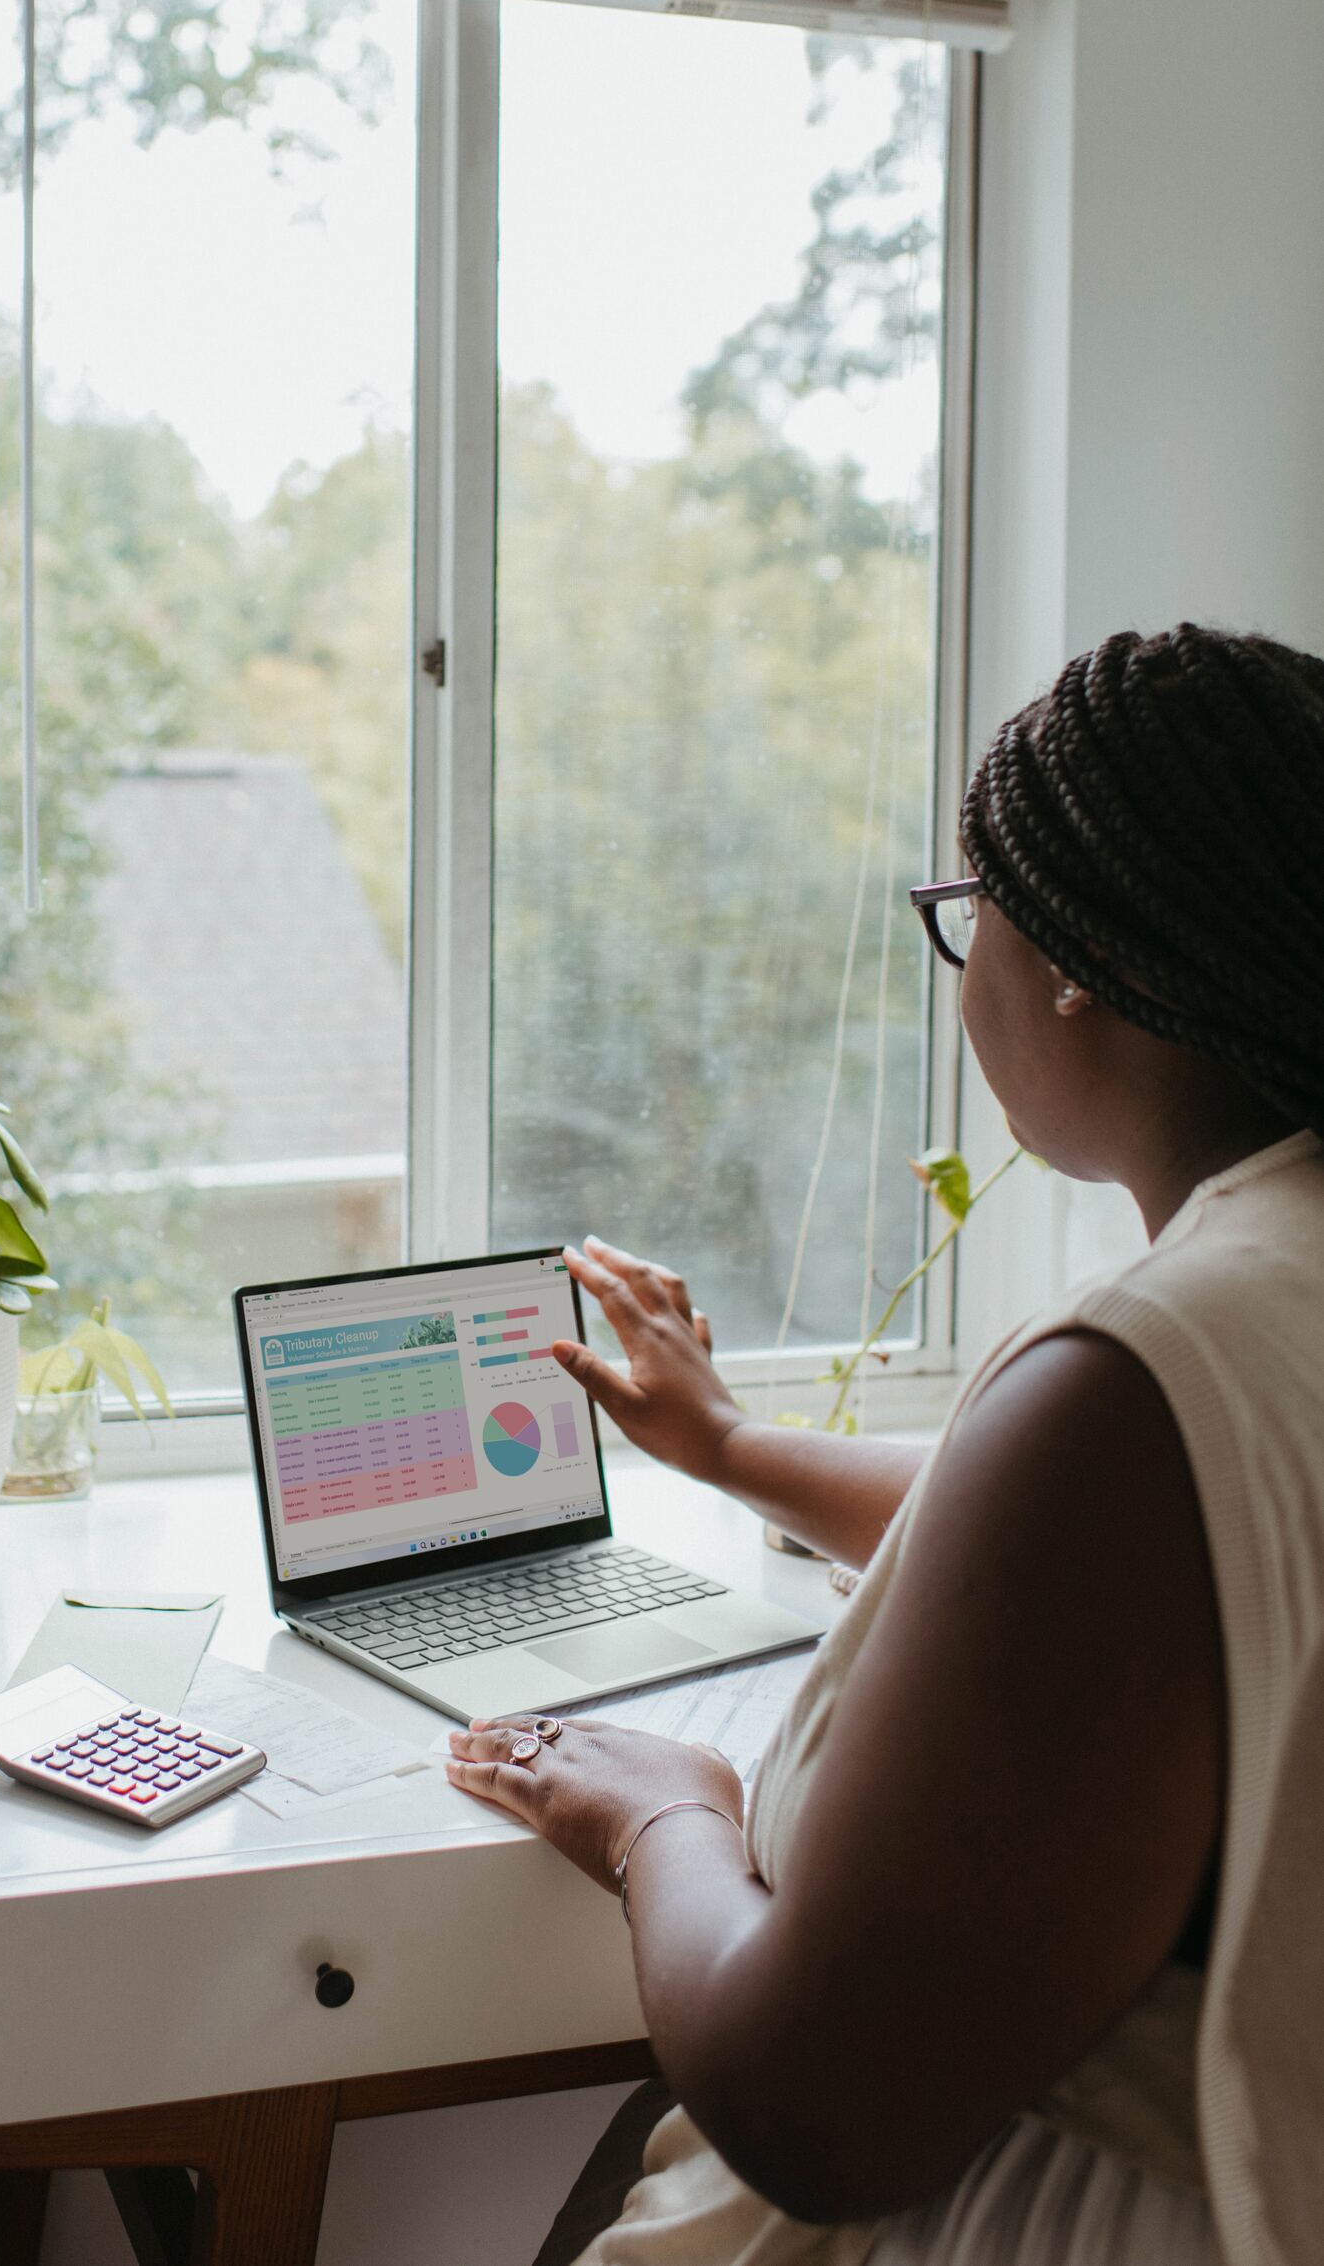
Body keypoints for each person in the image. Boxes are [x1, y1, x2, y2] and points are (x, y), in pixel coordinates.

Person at [445, 624, 1324, 2265]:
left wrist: (662, 1820)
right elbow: (1169, 1567)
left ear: (1068, 954)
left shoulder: (1139, 1371)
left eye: (963, 910)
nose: (964, 958)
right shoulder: (1263, 1304)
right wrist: (728, 1444)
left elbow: (812, 2105)